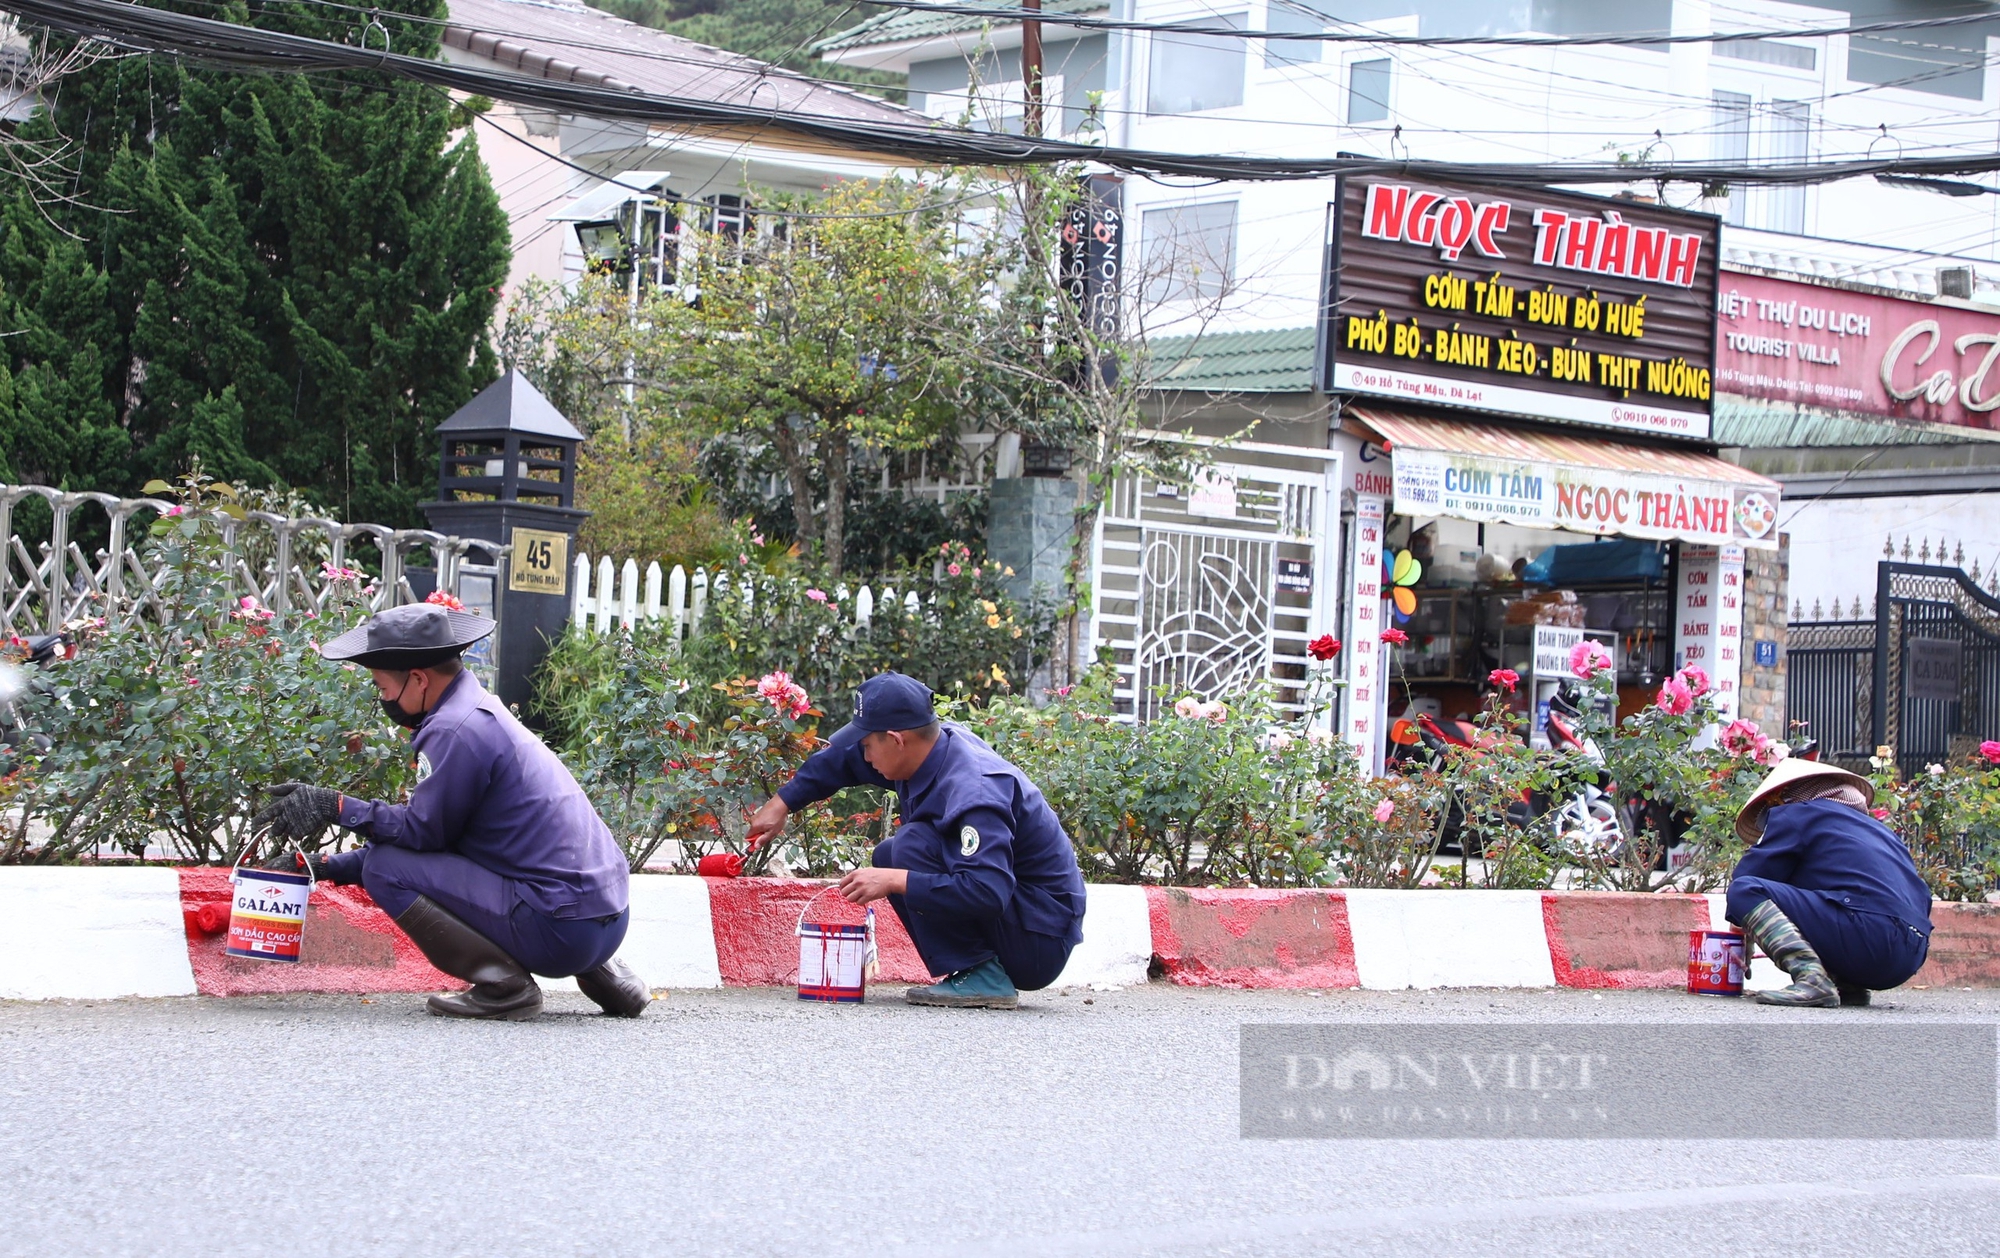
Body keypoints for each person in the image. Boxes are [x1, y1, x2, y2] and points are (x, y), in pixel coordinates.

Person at [251, 602, 648, 1021]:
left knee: (383, 868)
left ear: (419, 679)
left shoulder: (453, 729)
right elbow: (435, 844)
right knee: (507, 863)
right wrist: (324, 865)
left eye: (384, 689)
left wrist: (333, 806)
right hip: (608, 921)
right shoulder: (480, 710)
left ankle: (505, 989)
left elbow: (419, 837)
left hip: (559, 931)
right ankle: (609, 979)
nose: (382, 698)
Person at [746, 672, 1085, 1009]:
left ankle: (982, 976)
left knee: (906, 849)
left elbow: (988, 890)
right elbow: (842, 760)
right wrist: (782, 803)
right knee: (893, 852)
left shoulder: (975, 791)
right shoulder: (925, 751)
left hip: (1039, 939)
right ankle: (978, 970)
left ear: (896, 740)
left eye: (868, 746)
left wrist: (893, 880)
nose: (865, 757)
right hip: (1022, 919)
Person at [1726, 757, 1933, 1008]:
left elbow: (1750, 877)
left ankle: (1812, 980)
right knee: (1829, 893)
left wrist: (1739, 928)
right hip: (1911, 954)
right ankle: (1848, 985)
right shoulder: (1882, 833)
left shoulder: (1798, 812)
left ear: (1785, 796)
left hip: (1869, 936)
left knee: (1745, 889)